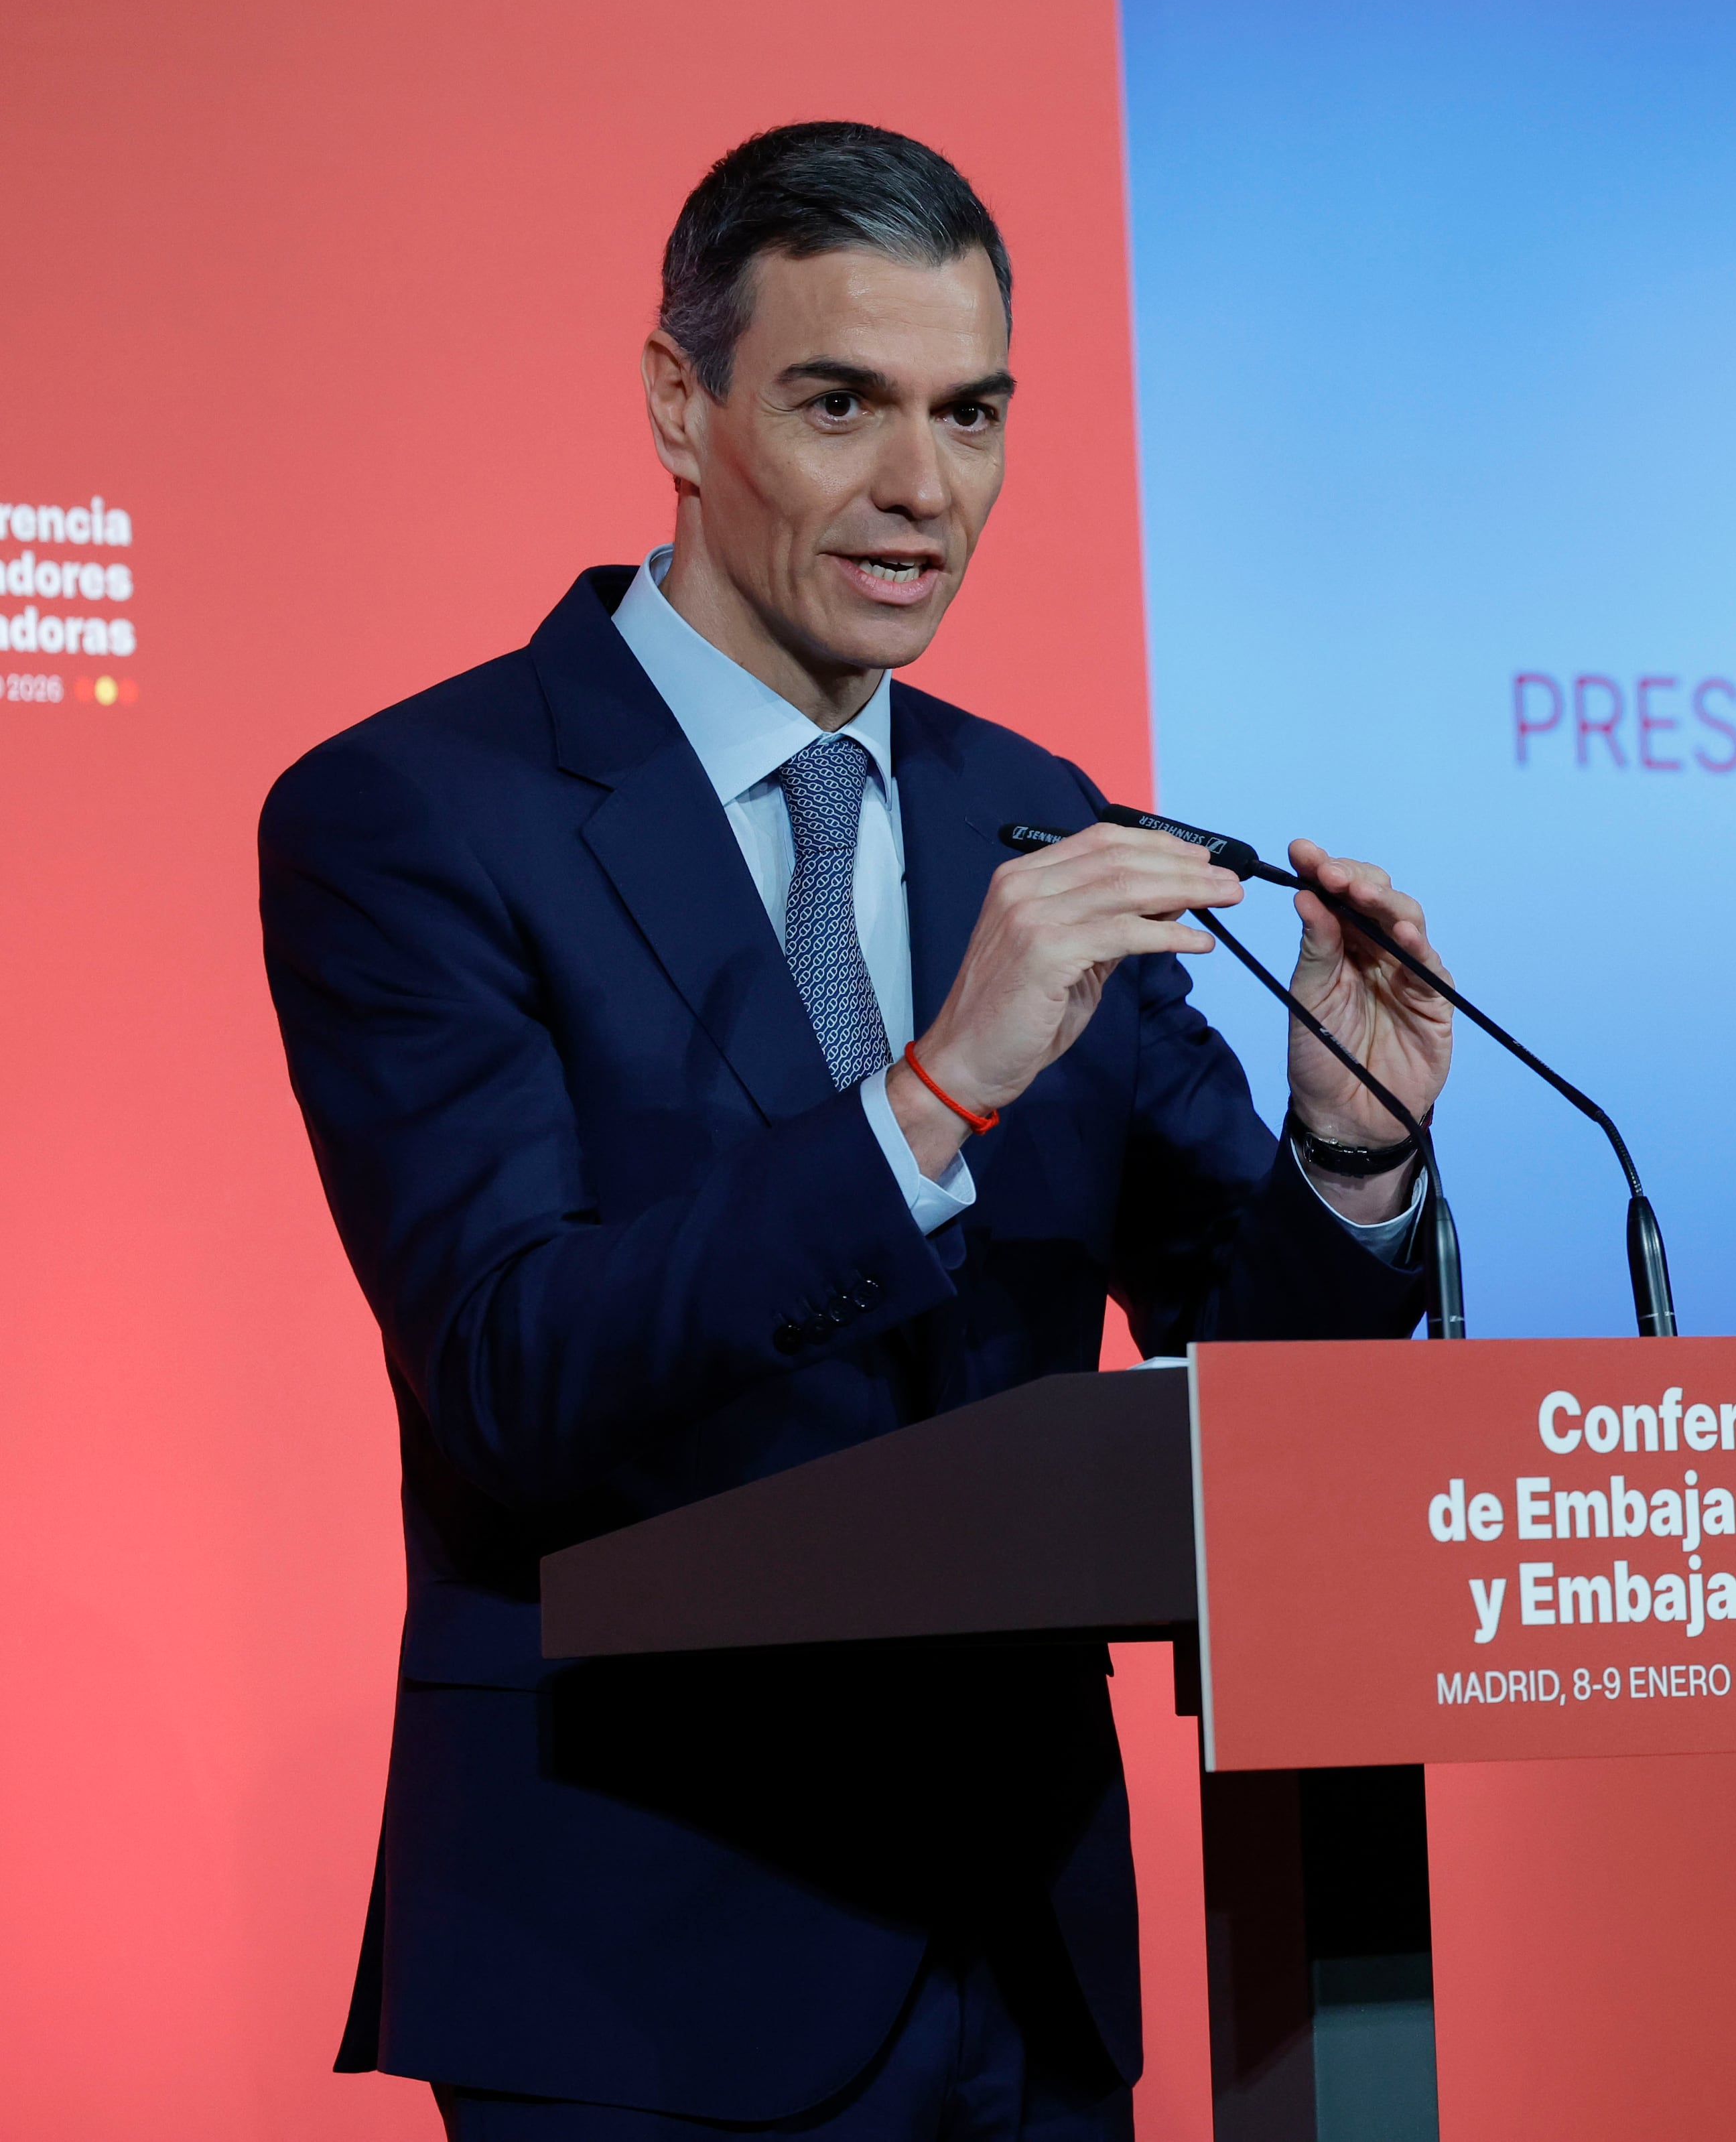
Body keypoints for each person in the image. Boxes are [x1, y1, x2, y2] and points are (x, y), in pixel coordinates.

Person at [259, 121, 1453, 2139]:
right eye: (843, 406)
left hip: (1024, 1959)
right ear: (681, 403)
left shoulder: (1035, 812)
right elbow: (511, 1370)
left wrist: (1349, 1149)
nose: (924, 488)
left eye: (971, 414)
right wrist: (928, 1099)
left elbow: (1257, 1394)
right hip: (642, 1955)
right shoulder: (417, 815)